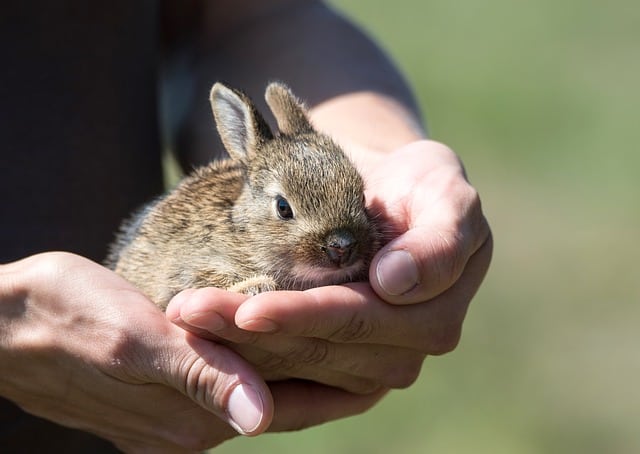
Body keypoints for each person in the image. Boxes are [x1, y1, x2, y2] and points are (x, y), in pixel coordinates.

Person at [0, 1, 492, 452]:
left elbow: (251, 15)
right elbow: (180, 284)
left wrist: (386, 154)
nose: (341, 245)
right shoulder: (221, 249)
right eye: (286, 212)